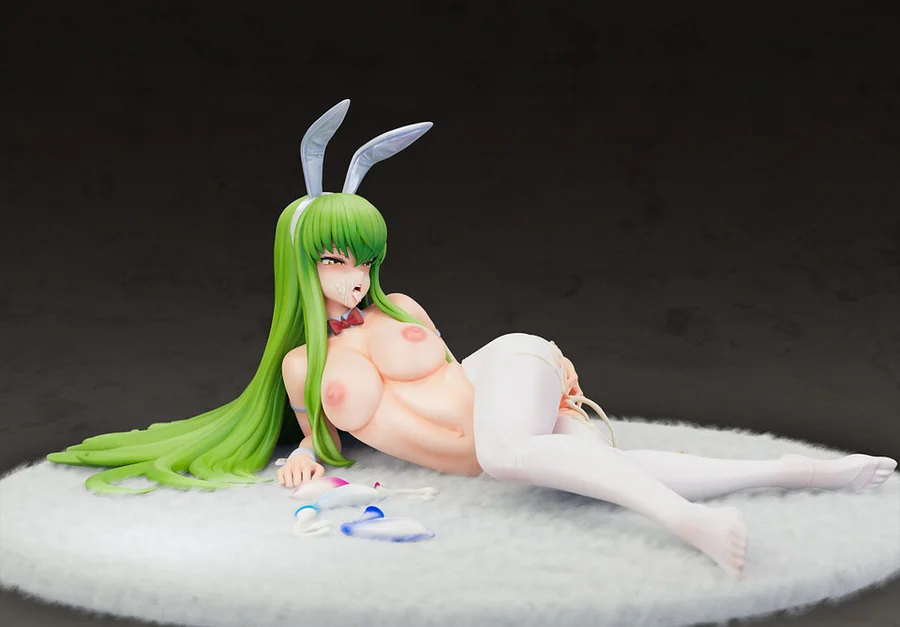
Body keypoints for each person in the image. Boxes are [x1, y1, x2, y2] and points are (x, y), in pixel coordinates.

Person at [48, 101, 897, 579]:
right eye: (338, 261)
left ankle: (687, 524)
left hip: (508, 383)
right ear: (300, 265)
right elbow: (316, 434)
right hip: (508, 443)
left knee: (508, 449)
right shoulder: (304, 365)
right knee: (607, 467)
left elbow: (464, 376)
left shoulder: (402, 306)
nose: (356, 276)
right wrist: (304, 453)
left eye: (364, 260)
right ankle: (801, 472)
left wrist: (554, 373)